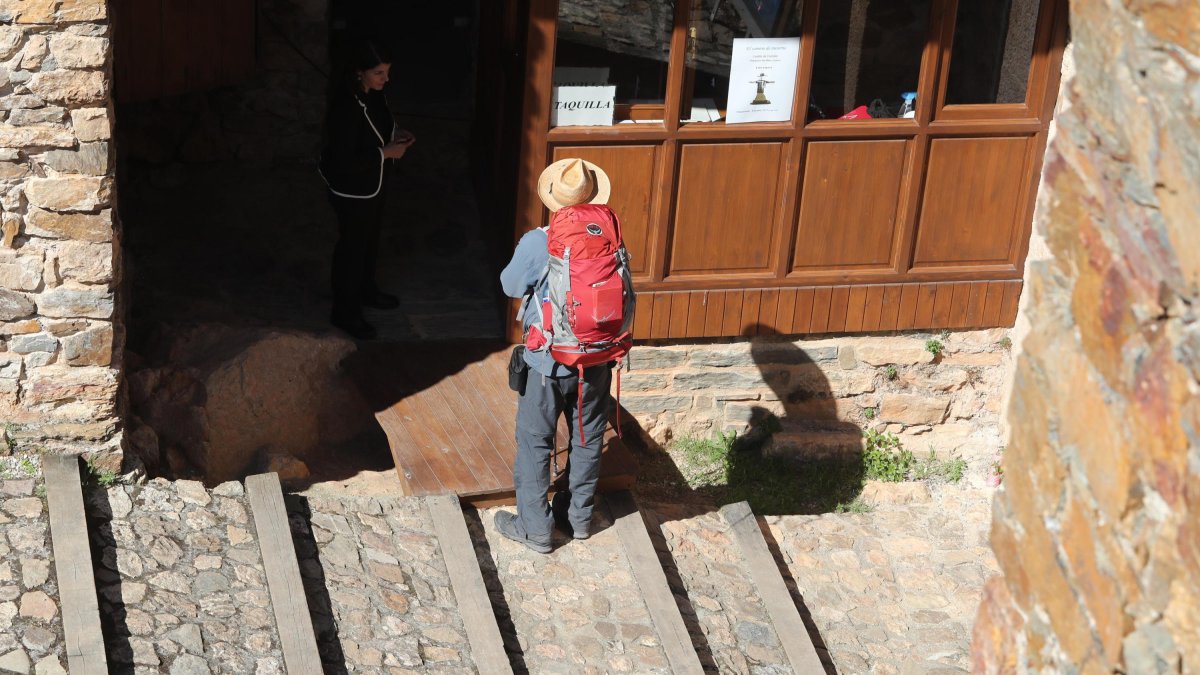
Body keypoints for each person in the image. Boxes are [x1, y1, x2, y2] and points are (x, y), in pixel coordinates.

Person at [495, 158, 615, 553]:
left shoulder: (538, 241)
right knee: (587, 437)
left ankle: (536, 528)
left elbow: (511, 285)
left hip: (548, 360)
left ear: (553, 200)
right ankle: (578, 518)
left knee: (535, 441)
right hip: (596, 359)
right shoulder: (607, 234)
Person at [319, 38, 415, 340]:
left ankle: (366, 290)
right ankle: (345, 312)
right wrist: (386, 153)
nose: (386, 80)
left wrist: (396, 135)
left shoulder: (372, 94)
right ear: (359, 72)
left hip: (373, 184)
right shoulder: (345, 105)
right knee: (352, 249)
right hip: (352, 189)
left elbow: (378, 126)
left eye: (387, 72)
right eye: (379, 73)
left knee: (369, 241)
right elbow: (343, 159)